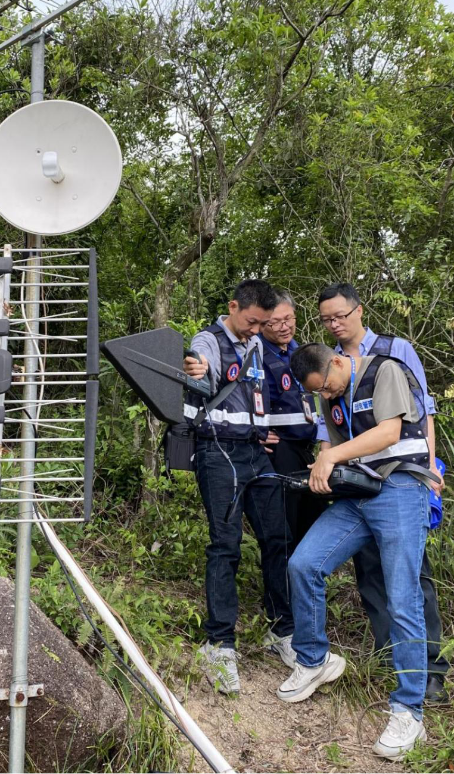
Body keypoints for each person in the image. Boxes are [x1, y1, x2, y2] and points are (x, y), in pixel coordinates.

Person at [278, 343, 432, 760]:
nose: (326, 397)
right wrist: (324, 469)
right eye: (319, 394)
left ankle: (409, 711)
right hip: (359, 495)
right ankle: (314, 660)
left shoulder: (385, 371)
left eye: (327, 387)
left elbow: (389, 433)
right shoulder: (328, 391)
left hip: (400, 489)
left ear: (340, 362)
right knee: (304, 564)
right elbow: (337, 444)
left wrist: (330, 459)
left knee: (402, 600)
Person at [317, 282, 448, 702]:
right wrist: (327, 464)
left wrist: (429, 470)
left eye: (341, 315)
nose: (336, 324)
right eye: (327, 320)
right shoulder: (330, 365)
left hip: (400, 480)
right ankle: (389, 657)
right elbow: (327, 429)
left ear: (358, 310)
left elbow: (423, 409)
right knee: (370, 572)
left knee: (412, 576)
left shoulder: (395, 349)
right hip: (356, 486)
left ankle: (429, 673)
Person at [183, 280, 295, 693]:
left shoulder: (258, 344)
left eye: (262, 323)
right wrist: (196, 368)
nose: (256, 329)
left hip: (255, 453)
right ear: (234, 307)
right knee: (226, 545)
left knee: (277, 538)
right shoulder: (208, 340)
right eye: (252, 322)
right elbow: (201, 364)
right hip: (218, 454)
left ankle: (282, 631)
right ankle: (219, 644)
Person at [259, 290, 325, 543]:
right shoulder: (255, 353)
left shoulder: (301, 352)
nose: (284, 327)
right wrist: (253, 434)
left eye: (289, 319)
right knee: (286, 522)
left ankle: (306, 579)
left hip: (307, 449)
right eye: (275, 322)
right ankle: (283, 581)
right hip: (279, 449)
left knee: (313, 521)